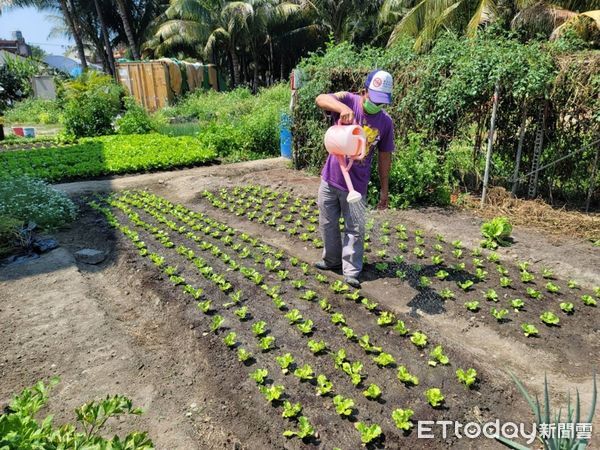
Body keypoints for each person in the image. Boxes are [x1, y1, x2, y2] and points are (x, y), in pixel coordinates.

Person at [314, 69, 395, 289]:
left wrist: (384, 188)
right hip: (331, 179)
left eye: (382, 102)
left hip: (357, 186)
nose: (376, 104)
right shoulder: (349, 99)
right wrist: (342, 108)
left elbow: (385, 157)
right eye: (374, 98)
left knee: (355, 228)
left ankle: (351, 271)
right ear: (364, 91)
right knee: (328, 223)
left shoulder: (385, 123)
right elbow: (320, 99)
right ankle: (331, 261)